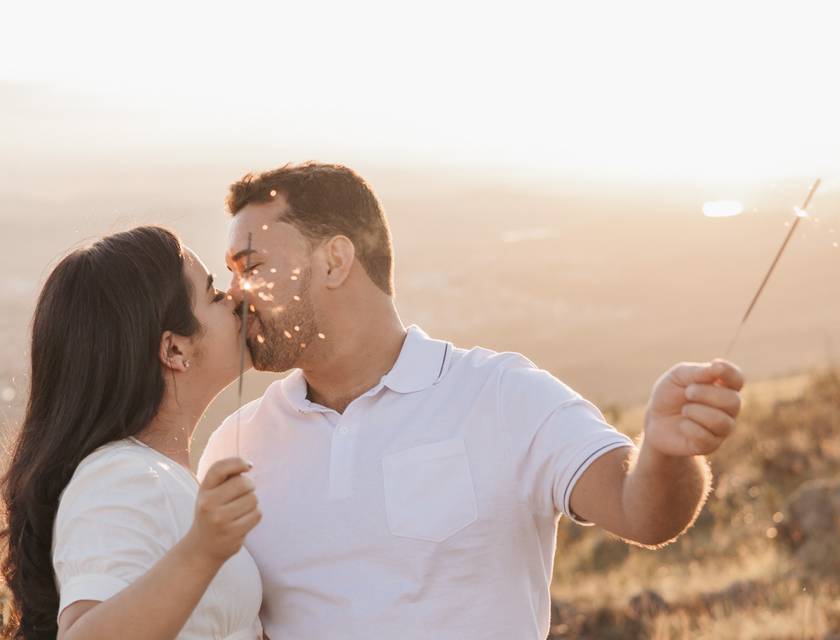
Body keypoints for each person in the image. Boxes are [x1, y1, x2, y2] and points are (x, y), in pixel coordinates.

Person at [200, 163, 745, 639]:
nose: (234, 294)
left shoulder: (504, 395)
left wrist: (668, 453)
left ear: (335, 261)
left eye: (250, 267)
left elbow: (640, 512)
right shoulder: (236, 444)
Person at [1, 227, 263, 640]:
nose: (236, 300)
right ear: (174, 350)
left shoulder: (151, 475)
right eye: (214, 295)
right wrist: (203, 549)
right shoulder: (121, 478)